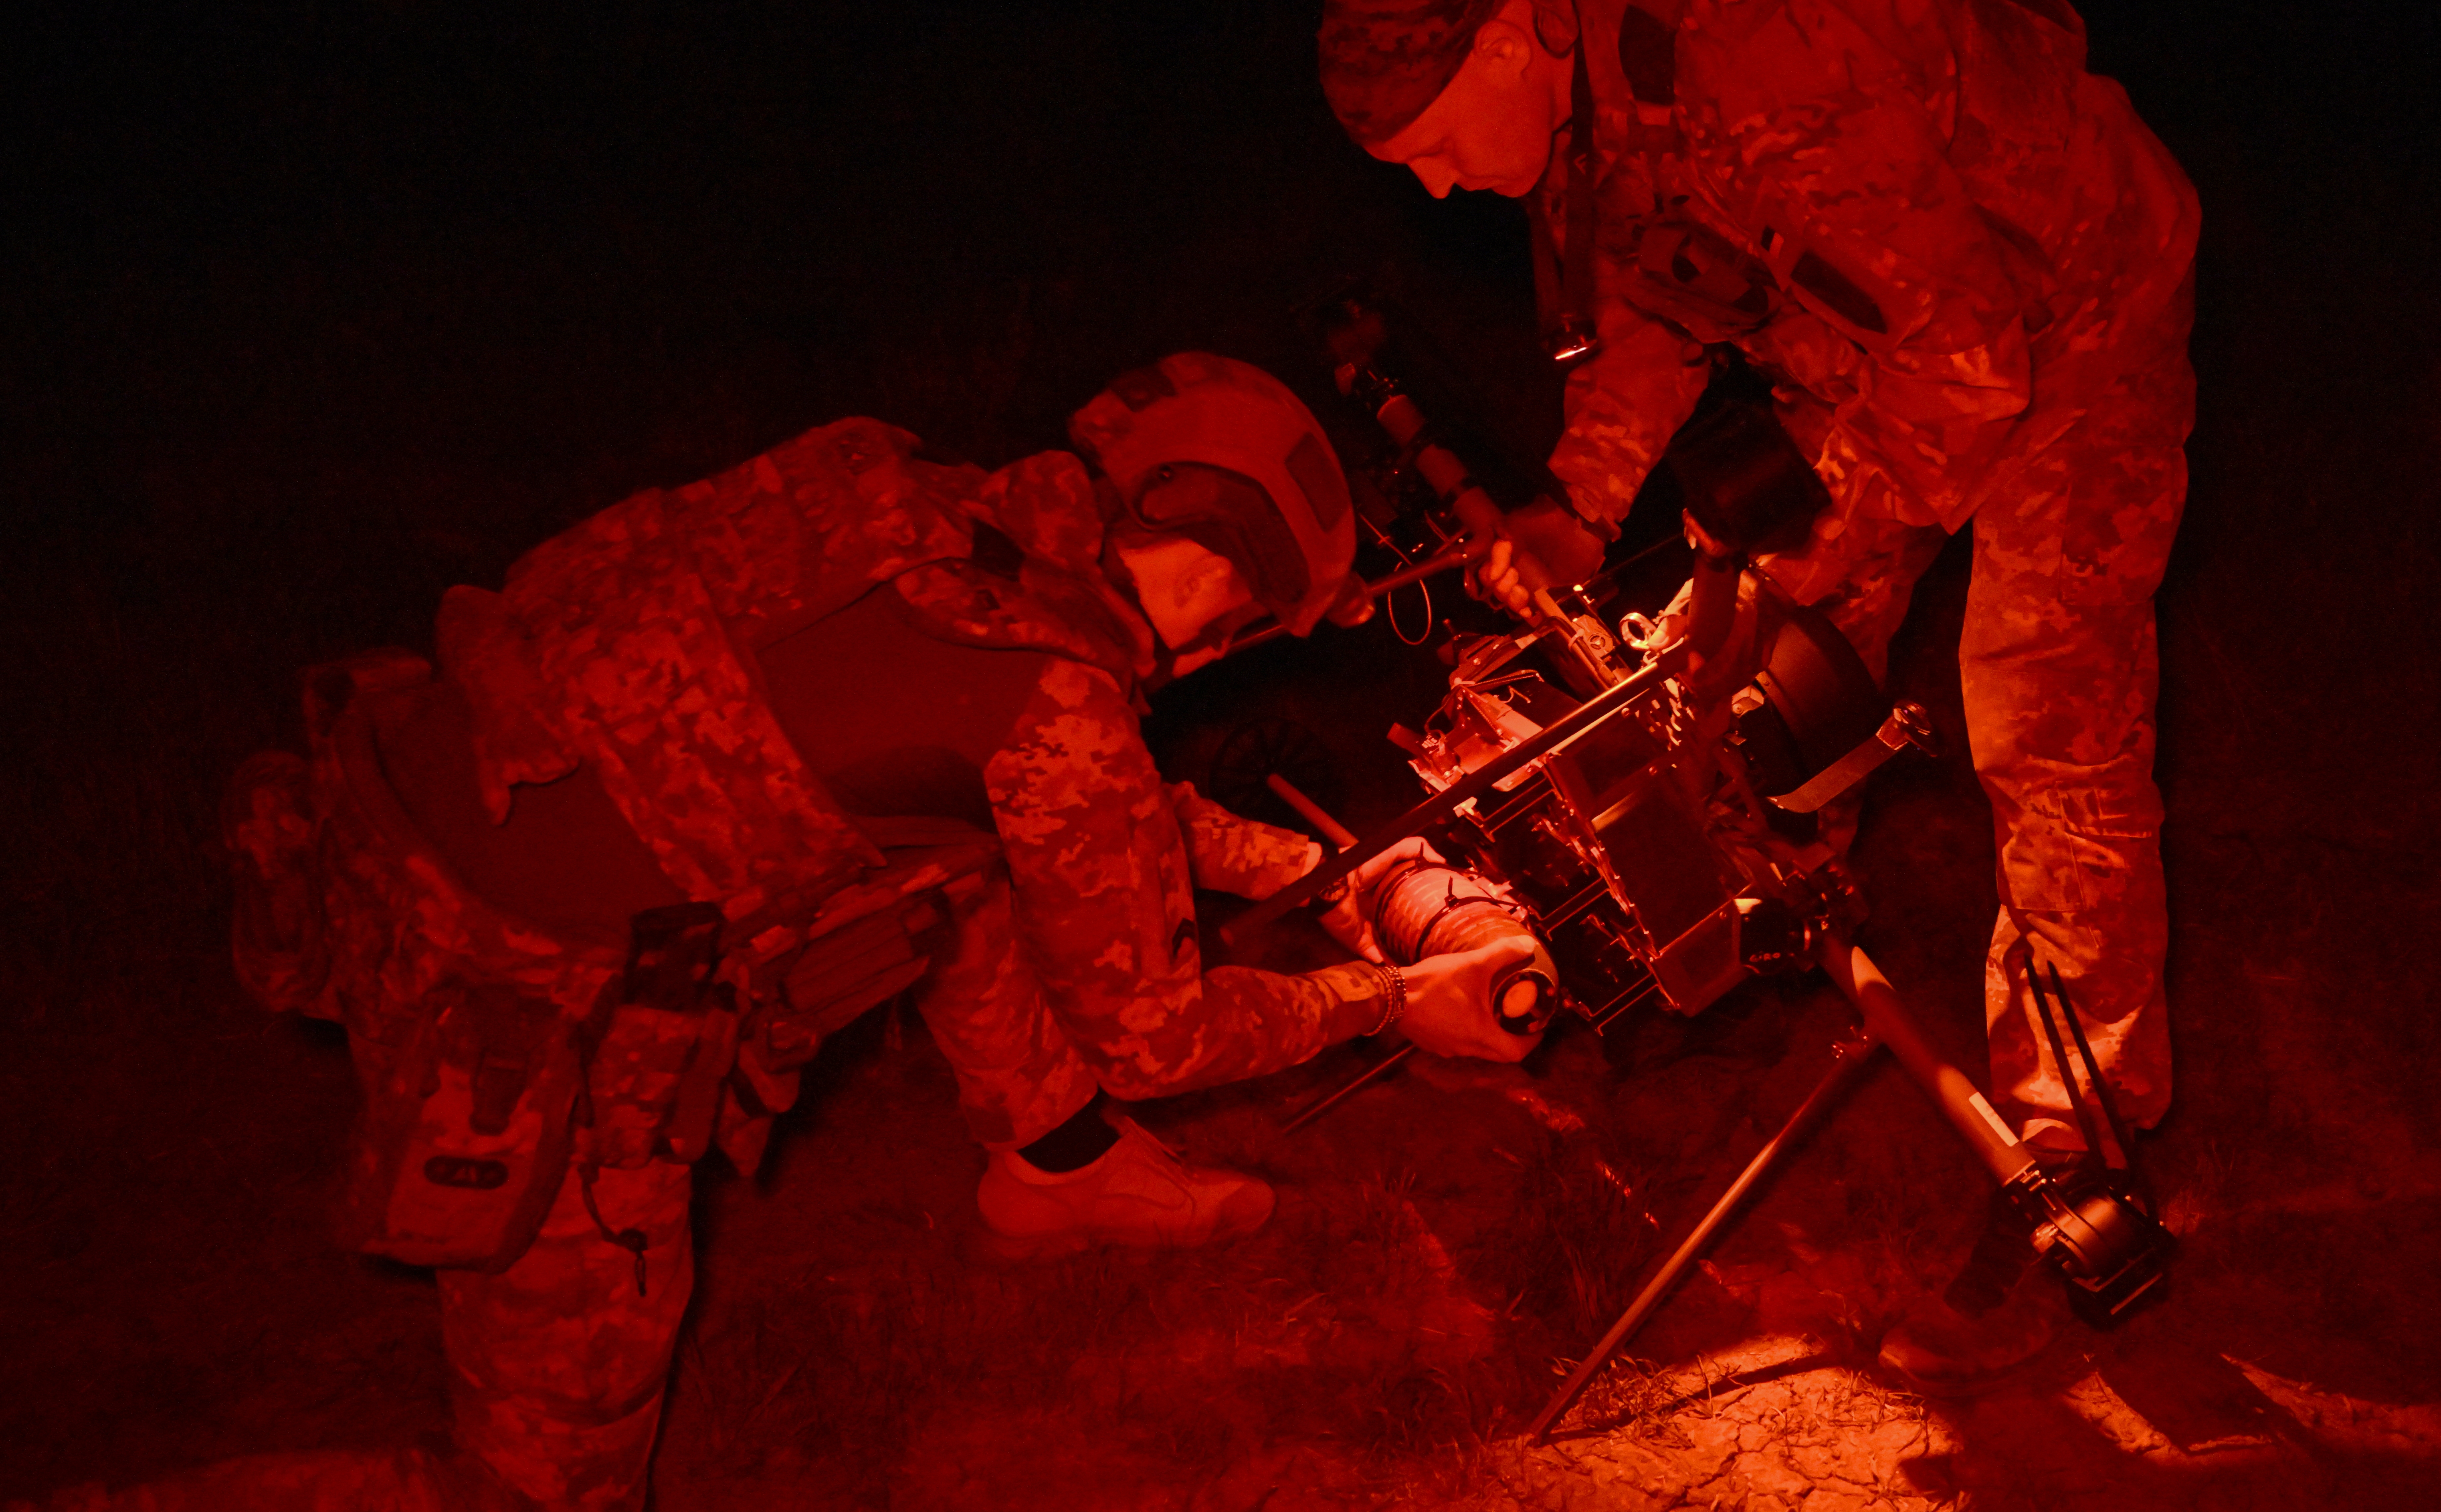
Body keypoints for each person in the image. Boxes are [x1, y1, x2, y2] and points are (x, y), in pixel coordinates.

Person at [192, 352, 1539, 1512]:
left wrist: (1319, 866)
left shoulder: (910, 503)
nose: (1232, 648)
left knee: (943, 870)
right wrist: (1386, 996)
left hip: (366, 810)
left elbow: (1050, 806)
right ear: (1211, 567)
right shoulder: (1051, 703)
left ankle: (1053, 1168)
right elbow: (1153, 1031)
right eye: (1249, 623)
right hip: (504, 997)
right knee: (546, 1472)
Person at [1319, 0, 2199, 1387]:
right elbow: (1664, 294)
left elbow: (1972, 367)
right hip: (1911, 329)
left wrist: (1773, 532)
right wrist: (1584, 502)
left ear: (1513, 38)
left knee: (2044, 722)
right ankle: (1755, 938)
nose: (1444, 186)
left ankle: (2076, 1151)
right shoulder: (1594, 66)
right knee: (1709, 669)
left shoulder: (1759, 36)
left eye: (1442, 144)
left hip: (2071, 313)